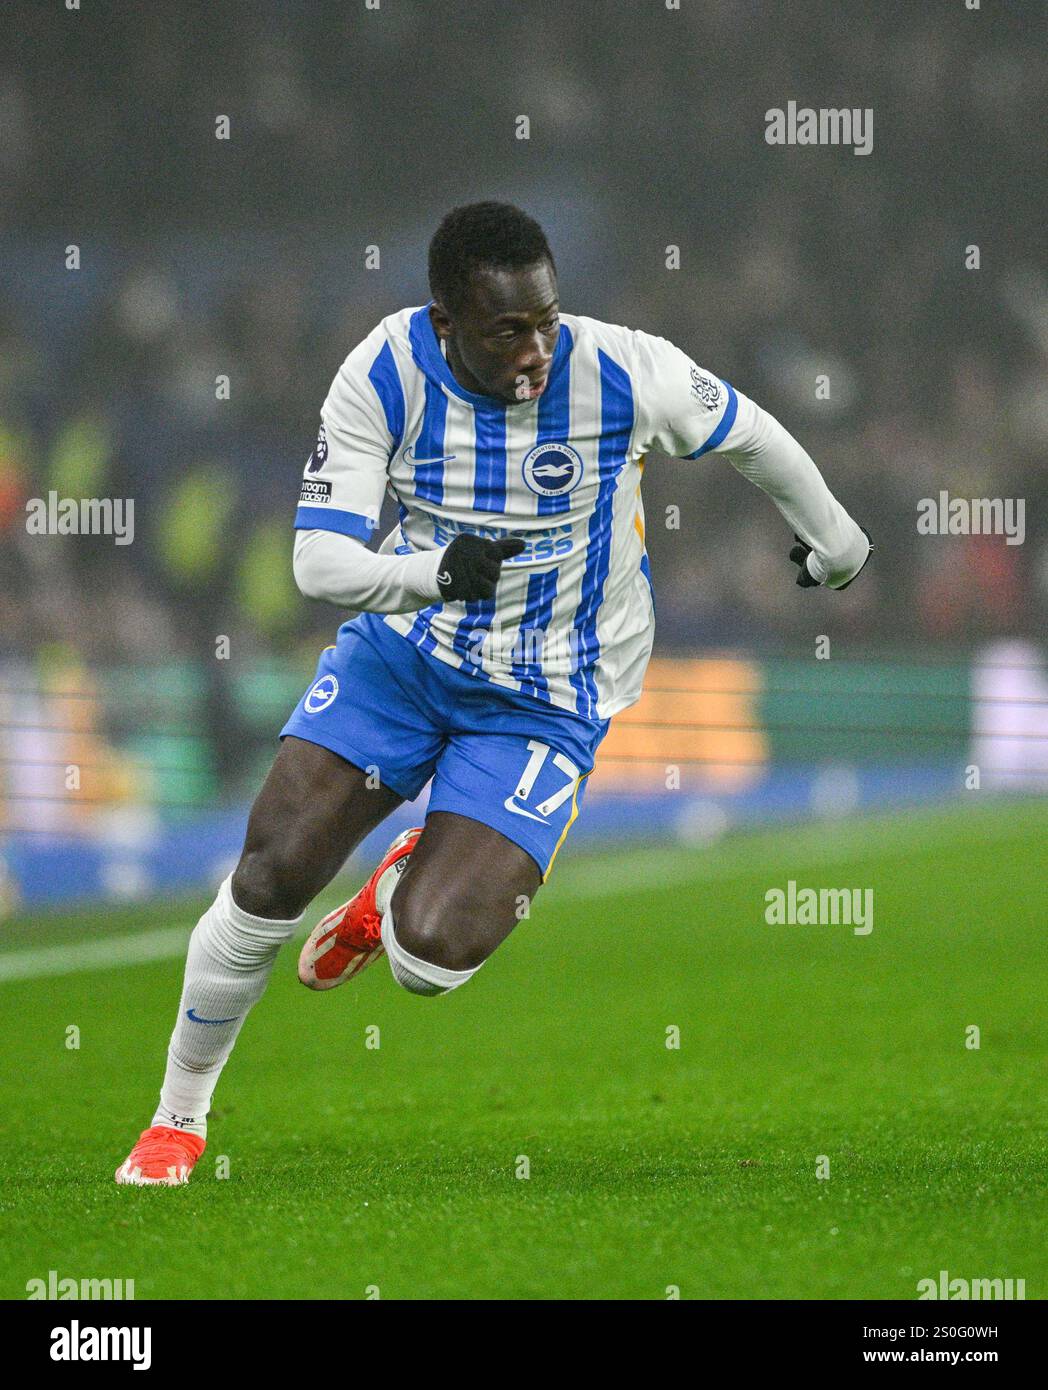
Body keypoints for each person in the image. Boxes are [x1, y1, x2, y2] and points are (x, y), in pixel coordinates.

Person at [116, 201, 871, 1185]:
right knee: (269, 874)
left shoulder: (620, 368)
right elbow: (317, 562)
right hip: (403, 657)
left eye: (546, 321)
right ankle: (179, 1116)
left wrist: (838, 541)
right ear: (445, 322)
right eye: (507, 330)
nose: (537, 350)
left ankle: (392, 890)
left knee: (430, 960)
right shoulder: (383, 372)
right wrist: (428, 576)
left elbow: (752, 433)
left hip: (549, 694)